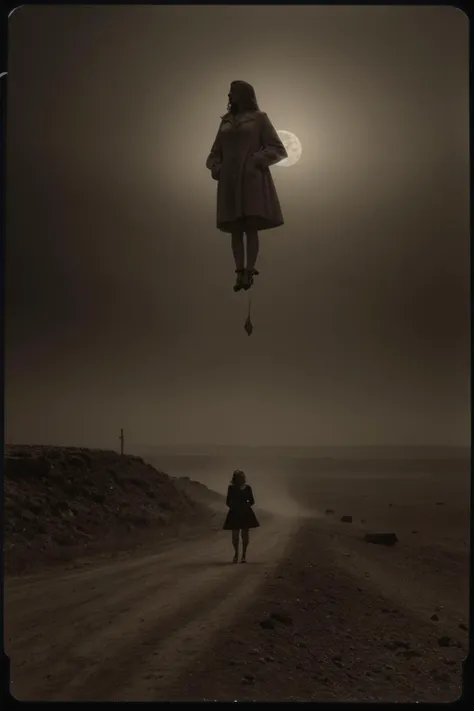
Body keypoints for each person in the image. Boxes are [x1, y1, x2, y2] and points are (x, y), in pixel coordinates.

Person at [206, 80, 288, 292]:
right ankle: (238, 271)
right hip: (229, 182)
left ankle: (249, 270)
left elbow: (277, 148)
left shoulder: (259, 119)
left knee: (250, 225)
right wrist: (217, 168)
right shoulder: (226, 121)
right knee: (235, 226)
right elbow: (214, 153)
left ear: (244, 94)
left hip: (251, 179)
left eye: (233, 92)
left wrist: (255, 160)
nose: (229, 96)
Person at [223, 469, 259, 563]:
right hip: (236, 512)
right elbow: (228, 501)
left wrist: (243, 506)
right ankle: (237, 554)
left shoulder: (247, 488)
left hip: (243, 512)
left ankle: (243, 555)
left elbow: (252, 501)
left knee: (244, 536)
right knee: (235, 536)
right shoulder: (231, 488)